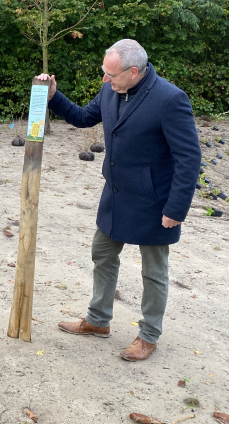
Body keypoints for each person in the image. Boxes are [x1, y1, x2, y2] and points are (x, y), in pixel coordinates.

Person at [38, 39, 201, 361]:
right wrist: (54, 96)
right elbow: (84, 117)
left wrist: (176, 208)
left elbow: (189, 157)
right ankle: (98, 320)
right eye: (105, 73)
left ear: (134, 71)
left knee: (154, 271)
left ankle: (148, 335)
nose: (106, 80)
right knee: (102, 252)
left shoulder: (170, 99)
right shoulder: (111, 90)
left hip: (155, 201)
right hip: (116, 194)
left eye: (111, 75)